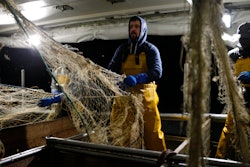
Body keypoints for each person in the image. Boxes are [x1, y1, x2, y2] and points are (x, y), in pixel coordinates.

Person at [108, 16, 167, 151]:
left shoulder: (150, 49)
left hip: (145, 96)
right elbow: (111, 69)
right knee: (119, 129)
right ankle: (120, 159)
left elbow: (157, 72)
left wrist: (138, 78)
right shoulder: (122, 49)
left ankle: (160, 159)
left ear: (143, 29)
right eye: (131, 27)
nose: (133, 29)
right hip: (124, 95)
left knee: (152, 131)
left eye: (136, 26)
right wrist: (118, 81)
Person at [215, 22, 250, 159]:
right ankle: (220, 159)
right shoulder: (234, 55)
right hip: (238, 100)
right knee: (229, 130)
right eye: (242, 38)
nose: (244, 40)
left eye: (247, 38)